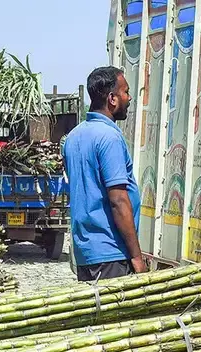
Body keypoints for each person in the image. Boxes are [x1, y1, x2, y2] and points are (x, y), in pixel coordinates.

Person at [62, 66, 144, 282]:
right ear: (112, 99)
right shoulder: (109, 138)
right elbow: (118, 200)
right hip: (111, 252)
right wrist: (136, 257)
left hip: (85, 251)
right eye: (125, 92)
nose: (129, 98)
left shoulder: (73, 137)